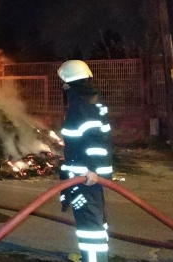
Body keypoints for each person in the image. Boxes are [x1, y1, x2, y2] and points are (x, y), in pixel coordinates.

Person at [58, 60, 113, 262]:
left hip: (84, 177)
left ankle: (93, 260)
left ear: (66, 83)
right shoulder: (90, 100)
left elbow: (95, 140)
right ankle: (94, 257)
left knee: (90, 226)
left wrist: (92, 170)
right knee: (95, 220)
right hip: (87, 175)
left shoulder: (80, 105)